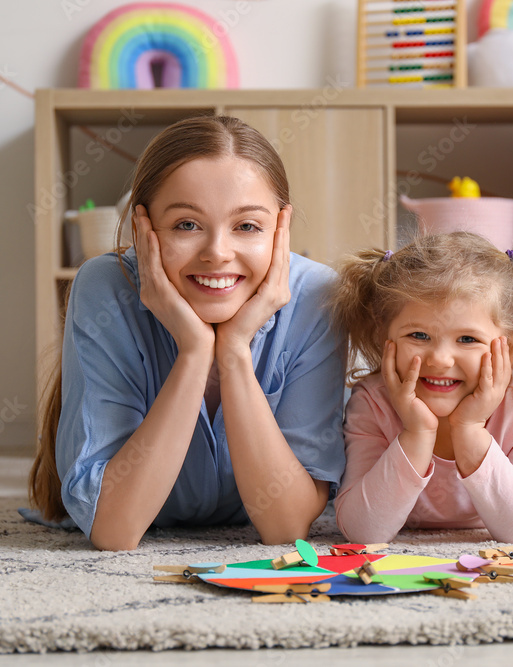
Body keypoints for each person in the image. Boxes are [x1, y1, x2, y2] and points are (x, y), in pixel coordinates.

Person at [29, 115, 347, 551]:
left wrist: (233, 351)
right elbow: (115, 531)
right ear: (144, 231)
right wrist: (195, 353)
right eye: (186, 225)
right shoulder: (104, 289)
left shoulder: (317, 296)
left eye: (247, 226)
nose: (217, 253)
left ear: (280, 230)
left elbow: (284, 527)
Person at [329, 232, 513, 544]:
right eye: (418, 335)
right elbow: (362, 531)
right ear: (384, 338)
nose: (441, 360)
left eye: (467, 339)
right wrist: (416, 432)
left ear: (509, 347)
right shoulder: (373, 402)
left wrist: (470, 428)